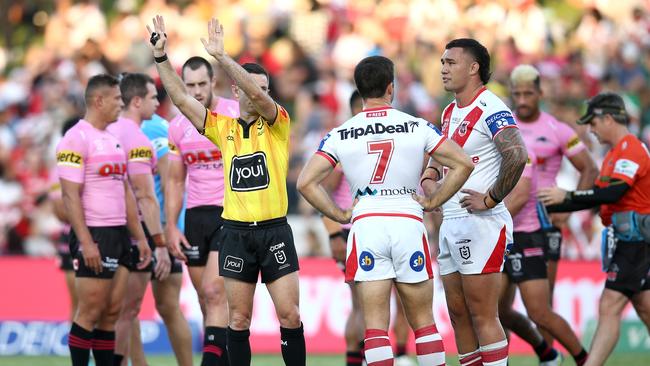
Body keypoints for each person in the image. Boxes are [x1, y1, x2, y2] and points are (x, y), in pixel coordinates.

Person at [148, 16, 305, 366]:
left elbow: (258, 98)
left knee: (290, 316)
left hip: (274, 230)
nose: (258, 92)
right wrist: (161, 59)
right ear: (235, 90)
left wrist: (222, 57)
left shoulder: (277, 123)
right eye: (252, 86)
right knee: (237, 320)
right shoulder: (222, 128)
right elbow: (181, 100)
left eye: (264, 88)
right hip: (235, 233)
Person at [298, 55, 474, 366]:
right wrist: (434, 201)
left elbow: (306, 182)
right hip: (407, 220)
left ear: (359, 90)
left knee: (375, 328)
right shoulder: (416, 126)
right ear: (390, 88)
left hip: (366, 225)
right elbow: (462, 163)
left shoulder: (341, 133)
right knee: (424, 324)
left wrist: (340, 214)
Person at [420, 38, 527, 366]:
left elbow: (517, 154)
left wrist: (492, 197)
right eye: (442, 62)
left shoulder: (492, 107)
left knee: (482, 313)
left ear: (474, 67)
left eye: (451, 62)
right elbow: (442, 154)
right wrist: (430, 174)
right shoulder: (450, 110)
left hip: (481, 223)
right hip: (451, 221)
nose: (443, 69)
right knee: (458, 314)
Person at [538, 92, 650, 366]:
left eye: (593, 123)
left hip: (637, 241)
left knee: (609, 305)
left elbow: (612, 193)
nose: (591, 130)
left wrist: (567, 198)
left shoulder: (630, 149)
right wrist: (557, 208)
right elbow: (599, 197)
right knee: (644, 307)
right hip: (628, 240)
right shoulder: (615, 154)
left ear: (609, 118)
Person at [57, 74, 151, 366]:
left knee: (112, 313)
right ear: (98, 101)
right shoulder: (75, 138)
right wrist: (86, 242)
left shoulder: (113, 140)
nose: (121, 105)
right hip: (95, 234)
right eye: (117, 99)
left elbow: (125, 192)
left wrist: (140, 238)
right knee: (90, 311)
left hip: (120, 233)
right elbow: (70, 196)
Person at [321, 90, 420, 366]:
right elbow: (322, 190)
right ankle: (361, 358)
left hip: (377, 223)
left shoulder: (352, 140)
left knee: (399, 299)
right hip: (353, 229)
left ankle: (399, 354)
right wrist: (333, 232)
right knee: (362, 304)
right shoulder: (346, 142)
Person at [509, 64, 598, 339]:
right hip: (507, 219)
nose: (522, 100)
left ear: (540, 93)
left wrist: (569, 209)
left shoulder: (557, 129)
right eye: (517, 94)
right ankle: (538, 350)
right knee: (498, 306)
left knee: (542, 306)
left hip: (545, 222)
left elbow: (590, 169)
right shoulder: (504, 127)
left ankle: (548, 358)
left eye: (528, 94)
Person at [108, 73, 191, 366]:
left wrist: (166, 230)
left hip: (152, 225)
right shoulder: (150, 128)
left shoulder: (148, 128)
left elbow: (168, 181)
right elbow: (169, 182)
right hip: (153, 225)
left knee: (130, 308)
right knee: (154, 308)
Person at [165, 56, 238, 366]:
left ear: (213, 83)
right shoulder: (178, 125)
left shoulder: (234, 114)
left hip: (230, 213)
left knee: (213, 290)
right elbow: (175, 180)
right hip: (196, 217)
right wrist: (171, 225)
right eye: (189, 86)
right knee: (206, 301)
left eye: (201, 85)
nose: (195, 92)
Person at [499, 145, 588, 365]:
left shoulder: (520, 151)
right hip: (499, 238)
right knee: (497, 312)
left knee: (539, 311)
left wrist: (486, 220)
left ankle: (585, 359)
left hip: (526, 236)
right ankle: (545, 353)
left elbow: (519, 197)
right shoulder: (484, 152)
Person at [50, 119, 81, 323]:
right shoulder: (58, 170)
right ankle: (81, 355)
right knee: (78, 301)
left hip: (101, 232)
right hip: (72, 236)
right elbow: (59, 211)